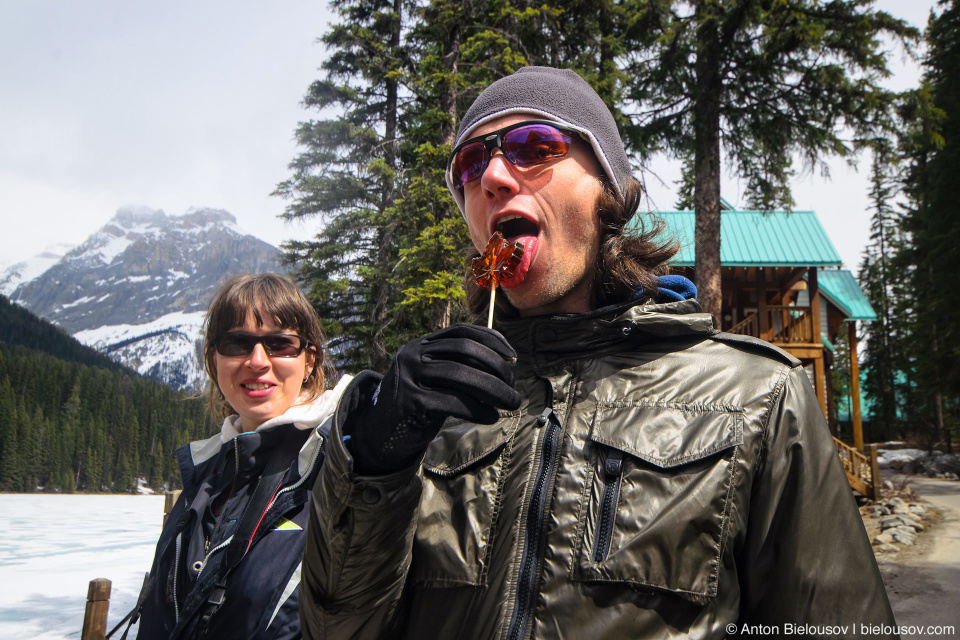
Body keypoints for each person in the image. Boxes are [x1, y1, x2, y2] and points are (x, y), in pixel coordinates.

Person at [299, 67, 898, 639]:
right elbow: (336, 630)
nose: (494, 177)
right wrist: (374, 467)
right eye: (470, 162)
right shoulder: (429, 411)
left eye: (534, 145)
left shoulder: (757, 397)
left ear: (609, 190)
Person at [116, 272, 351, 640]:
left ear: (309, 361)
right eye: (237, 343)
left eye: (280, 343)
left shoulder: (343, 469)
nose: (257, 361)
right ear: (215, 359)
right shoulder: (205, 475)